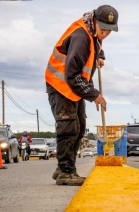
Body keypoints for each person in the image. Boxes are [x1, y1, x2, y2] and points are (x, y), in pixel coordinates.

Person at [45, 5, 119, 186]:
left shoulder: (93, 32)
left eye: (110, 31)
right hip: (61, 85)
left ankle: (63, 166)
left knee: (80, 127)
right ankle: (65, 172)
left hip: (74, 87)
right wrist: (93, 94)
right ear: (94, 21)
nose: (105, 34)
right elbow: (72, 74)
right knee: (69, 129)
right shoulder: (81, 37)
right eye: (103, 29)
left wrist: (100, 55)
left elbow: (97, 42)